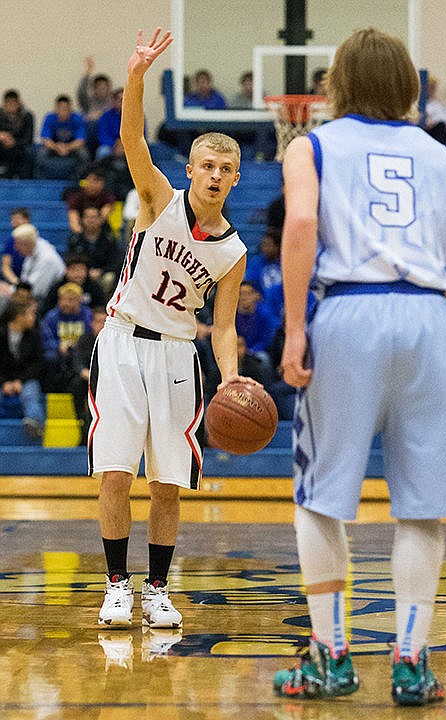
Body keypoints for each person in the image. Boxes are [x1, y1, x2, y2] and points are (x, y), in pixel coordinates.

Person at [273, 27, 446, 707]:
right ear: (408, 86)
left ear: (338, 83)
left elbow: (300, 226)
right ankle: (411, 663)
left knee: (320, 496)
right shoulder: (440, 153)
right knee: (422, 509)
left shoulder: (312, 145)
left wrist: (295, 328)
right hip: (430, 319)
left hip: (350, 315)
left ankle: (331, 658)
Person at [90, 26, 256, 631]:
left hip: (179, 354)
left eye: (226, 168)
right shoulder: (157, 197)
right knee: (115, 471)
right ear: (191, 170)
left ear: (236, 179)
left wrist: (231, 379)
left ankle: (158, 589)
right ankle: (116, 585)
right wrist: (135, 76)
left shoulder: (232, 252)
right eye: (207, 164)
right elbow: (132, 137)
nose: (215, 174)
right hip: (124, 341)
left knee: (166, 484)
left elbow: (223, 327)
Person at [0, 299, 45, 438]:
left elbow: (37, 364)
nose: (34, 318)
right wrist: (5, 382)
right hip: (2, 379)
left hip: (26, 379)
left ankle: (35, 424)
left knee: (31, 394)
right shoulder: (1, 334)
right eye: (31, 314)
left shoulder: (34, 336)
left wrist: (20, 380)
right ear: (19, 317)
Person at [41, 282, 92, 393]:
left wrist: (78, 347)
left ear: (79, 300)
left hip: (81, 353)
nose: (66, 304)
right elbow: (45, 340)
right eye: (63, 300)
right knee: (49, 358)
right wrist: (58, 346)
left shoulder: (88, 316)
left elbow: (91, 338)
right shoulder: (51, 317)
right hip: (59, 353)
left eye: (71, 300)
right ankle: (49, 392)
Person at [65, 205, 122, 297]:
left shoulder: (109, 239)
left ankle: (105, 303)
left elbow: (115, 262)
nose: (91, 220)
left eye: (94, 217)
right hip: (81, 272)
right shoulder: (75, 239)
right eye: (87, 217)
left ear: (100, 219)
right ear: (82, 220)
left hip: (102, 273)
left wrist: (101, 271)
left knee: (109, 278)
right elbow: (71, 259)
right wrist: (85, 272)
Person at [70, 306, 107, 445]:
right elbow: (78, 361)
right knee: (77, 383)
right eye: (98, 321)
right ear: (91, 323)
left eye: (104, 321)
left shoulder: (114, 342)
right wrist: (86, 372)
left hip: (108, 381)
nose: (101, 325)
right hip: (88, 378)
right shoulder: (85, 339)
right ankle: (81, 419)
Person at [37, 94, 89, 180]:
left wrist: (67, 147)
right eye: (61, 109)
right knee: (41, 153)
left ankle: (82, 180)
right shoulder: (49, 118)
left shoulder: (78, 118)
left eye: (66, 109)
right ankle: (39, 180)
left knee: (84, 153)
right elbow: (45, 139)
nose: (64, 111)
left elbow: (81, 140)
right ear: (56, 109)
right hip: (54, 147)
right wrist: (57, 147)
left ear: (70, 109)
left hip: (71, 147)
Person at [40, 254, 106, 317]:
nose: (77, 274)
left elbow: (102, 309)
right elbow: (46, 310)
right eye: (73, 269)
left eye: (81, 270)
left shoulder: (94, 288)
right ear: (66, 270)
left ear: (87, 271)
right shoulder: (57, 287)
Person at [14, 223, 65, 303]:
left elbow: (35, 290)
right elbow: (24, 281)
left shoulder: (47, 258)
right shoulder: (31, 251)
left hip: (48, 302)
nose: (15, 248)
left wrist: (10, 290)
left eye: (18, 244)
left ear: (28, 243)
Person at [65, 165, 116, 233]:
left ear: (103, 183)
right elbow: (74, 222)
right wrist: (83, 237)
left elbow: (103, 217)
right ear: (85, 181)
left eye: (98, 181)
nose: (94, 185)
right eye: (92, 181)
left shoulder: (108, 198)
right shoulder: (76, 198)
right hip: (81, 231)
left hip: (101, 231)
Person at [0, 89, 34, 178]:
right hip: (2, 148)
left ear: (19, 103)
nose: (11, 106)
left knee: (29, 153)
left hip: (19, 148)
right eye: (8, 103)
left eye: (13, 103)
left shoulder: (27, 116)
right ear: (4, 104)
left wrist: (14, 142)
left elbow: (29, 138)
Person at [1, 207, 31, 287]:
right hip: (15, 283)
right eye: (13, 220)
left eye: (18, 219)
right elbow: (5, 267)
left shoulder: (37, 241)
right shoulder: (10, 242)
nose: (14, 223)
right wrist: (17, 283)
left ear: (27, 220)